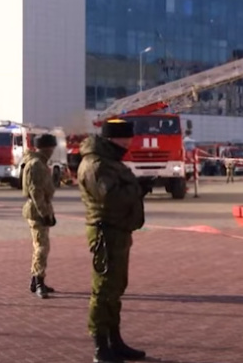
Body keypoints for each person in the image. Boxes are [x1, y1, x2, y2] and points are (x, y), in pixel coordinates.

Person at [77, 119, 146, 363]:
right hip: (105, 232)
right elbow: (111, 198)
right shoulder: (95, 164)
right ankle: (100, 346)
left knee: (115, 289)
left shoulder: (109, 162)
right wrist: (138, 189)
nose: (129, 143)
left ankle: (114, 340)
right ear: (113, 139)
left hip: (118, 231)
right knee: (103, 289)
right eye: (126, 138)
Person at [22, 134, 59, 299]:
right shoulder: (36, 165)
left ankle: (35, 279)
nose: (52, 151)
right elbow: (35, 192)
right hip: (36, 211)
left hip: (41, 208)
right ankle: (39, 281)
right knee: (42, 247)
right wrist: (45, 213)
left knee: (41, 245)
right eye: (51, 148)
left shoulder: (40, 164)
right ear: (46, 148)